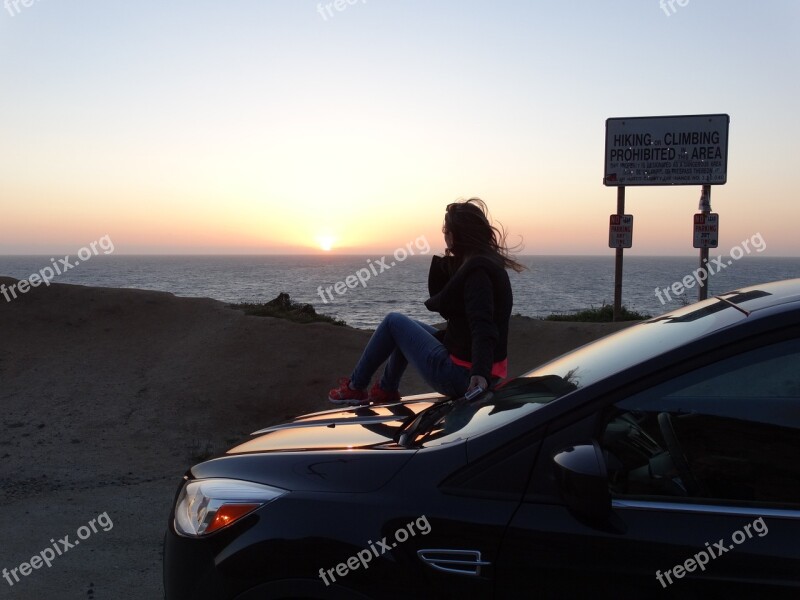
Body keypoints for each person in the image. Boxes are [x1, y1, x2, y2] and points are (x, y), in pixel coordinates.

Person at [328, 198, 525, 406]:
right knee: (404, 328)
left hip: (463, 377)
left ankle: (356, 387)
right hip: (479, 371)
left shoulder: (477, 273)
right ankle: (386, 389)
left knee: (393, 321)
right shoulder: (488, 263)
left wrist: (480, 374)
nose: (444, 236)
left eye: (445, 231)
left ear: (457, 234)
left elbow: (483, 326)